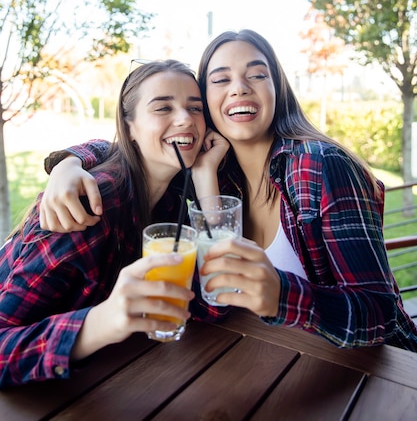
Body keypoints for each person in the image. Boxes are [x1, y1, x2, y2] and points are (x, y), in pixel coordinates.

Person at [39, 30, 417, 352]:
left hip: (377, 380)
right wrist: (68, 162)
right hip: (265, 363)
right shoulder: (217, 174)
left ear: (277, 89)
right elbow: (133, 141)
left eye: (256, 75)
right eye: (220, 80)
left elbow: (380, 315)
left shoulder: (320, 166)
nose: (239, 88)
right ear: (206, 103)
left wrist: (282, 295)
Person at [0, 60, 230, 388]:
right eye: (163, 107)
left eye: (195, 108)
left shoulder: (170, 203)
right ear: (130, 127)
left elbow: (215, 302)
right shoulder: (91, 205)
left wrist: (206, 175)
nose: (185, 119)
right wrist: (101, 323)